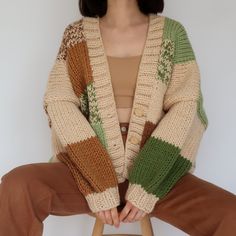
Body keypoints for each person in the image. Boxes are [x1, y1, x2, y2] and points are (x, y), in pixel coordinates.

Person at [1, 0, 236, 235]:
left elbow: (187, 105)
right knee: (18, 187)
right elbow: (59, 101)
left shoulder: (172, 34)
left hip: (158, 175)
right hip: (86, 175)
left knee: (230, 214)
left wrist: (146, 184)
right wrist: (99, 179)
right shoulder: (76, 35)